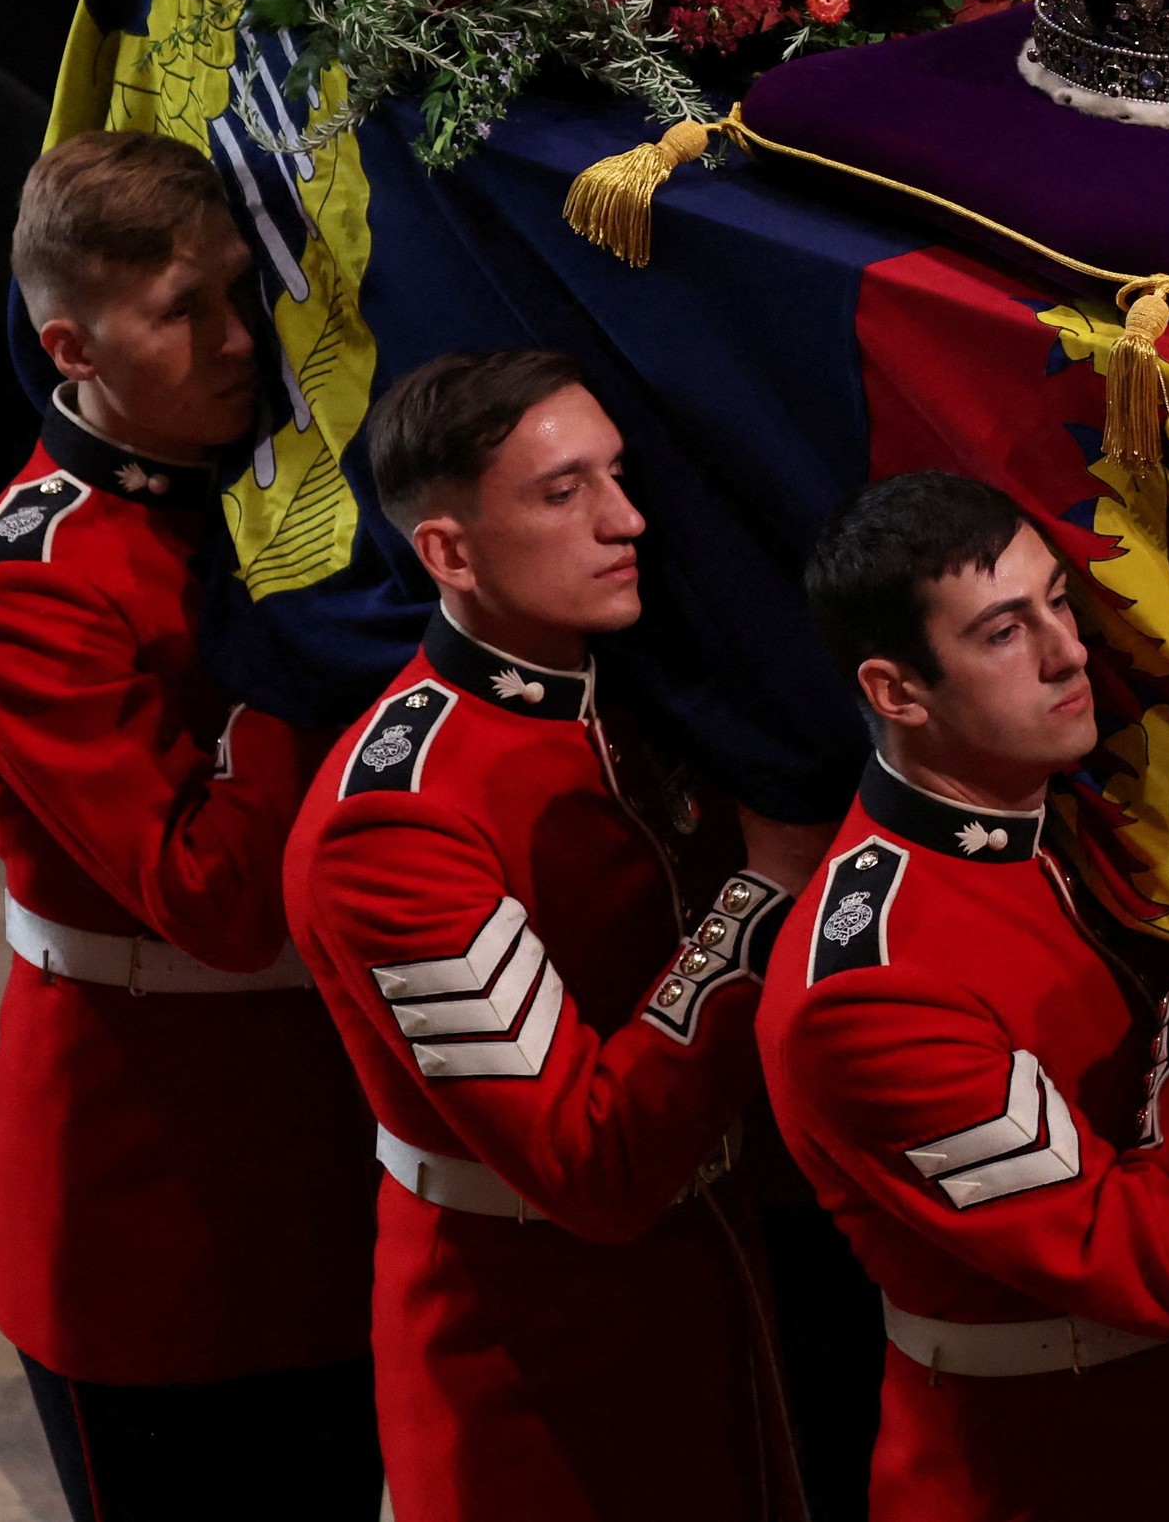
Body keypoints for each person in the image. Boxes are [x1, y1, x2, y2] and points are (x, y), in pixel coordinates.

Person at [284, 348, 822, 1522]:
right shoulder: (396, 821)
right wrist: (761, 896)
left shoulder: (631, 695)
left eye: (616, 474)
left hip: (713, 1290)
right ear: (449, 553)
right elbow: (592, 1159)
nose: (627, 519)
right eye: (562, 492)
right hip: (539, 1357)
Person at [0, 131, 380, 1520]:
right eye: (181, 313)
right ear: (70, 344)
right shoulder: (33, 586)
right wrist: (290, 665)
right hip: (151, 1185)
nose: (240, 341)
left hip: (315, 1148)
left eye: (240, 294)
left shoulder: (256, 496)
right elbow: (215, 895)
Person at [764, 471, 1169, 1522]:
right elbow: (1155, 1268)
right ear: (897, 692)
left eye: (1059, 601)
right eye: (1006, 632)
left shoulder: (1061, 812)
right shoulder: (870, 989)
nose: (1069, 652)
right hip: (1062, 1465)